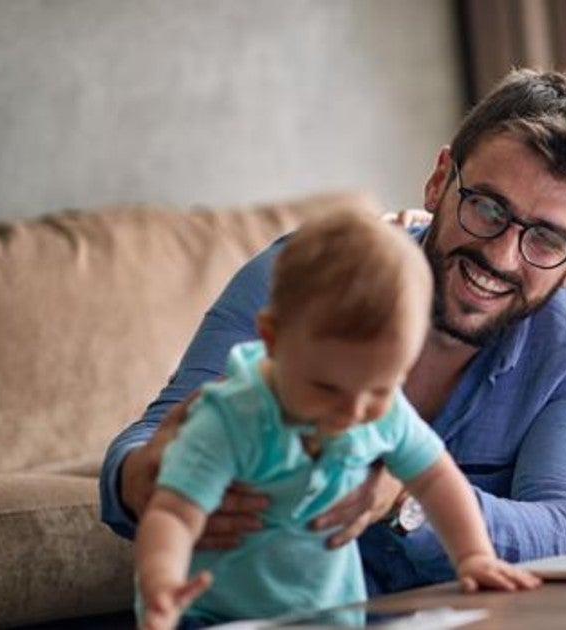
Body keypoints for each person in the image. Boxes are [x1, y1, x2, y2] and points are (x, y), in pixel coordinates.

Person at [101, 69, 566, 596]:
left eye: (546, 240)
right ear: (440, 180)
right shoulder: (306, 276)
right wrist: (144, 480)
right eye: (487, 207)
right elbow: (152, 437)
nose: (499, 255)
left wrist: (402, 502)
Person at [134, 210, 539, 629]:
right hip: (211, 614)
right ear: (273, 339)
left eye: (381, 389)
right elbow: (174, 513)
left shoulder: (383, 412)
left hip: (331, 616)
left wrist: (473, 556)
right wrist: (160, 580)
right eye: (328, 389)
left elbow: (436, 478)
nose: (353, 411)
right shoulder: (233, 415)